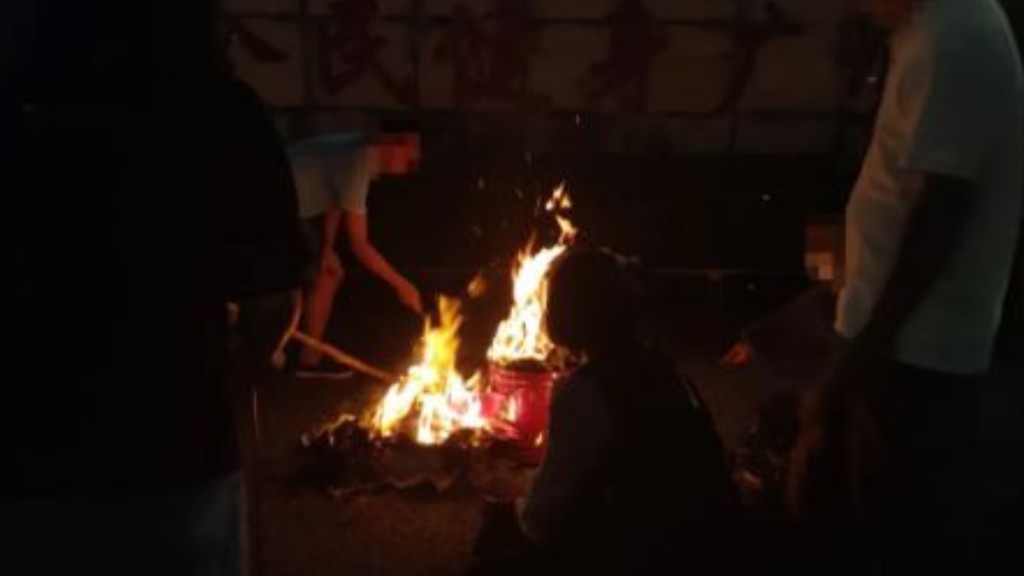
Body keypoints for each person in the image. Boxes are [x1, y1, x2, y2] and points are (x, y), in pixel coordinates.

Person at [788, 0, 1023, 573]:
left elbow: (941, 211)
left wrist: (861, 359)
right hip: (894, 350)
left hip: (912, 361)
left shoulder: (955, 39)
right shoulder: (930, 30)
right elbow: (899, 193)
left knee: (885, 535)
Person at [509, 249, 734, 574]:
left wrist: (517, 499)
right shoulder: (664, 371)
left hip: (642, 554)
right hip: (703, 543)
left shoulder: (587, 391)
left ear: (565, 312)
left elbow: (540, 519)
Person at [288, 130, 423, 369]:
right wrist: (401, 285)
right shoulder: (358, 164)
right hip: (271, 204)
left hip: (286, 201)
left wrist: (327, 247)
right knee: (324, 275)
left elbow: (335, 201)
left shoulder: (357, 149)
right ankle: (306, 361)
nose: (407, 169)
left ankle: (303, 355)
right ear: (394, 145)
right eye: (408, 160)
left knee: (326, 268)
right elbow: (360, 244)